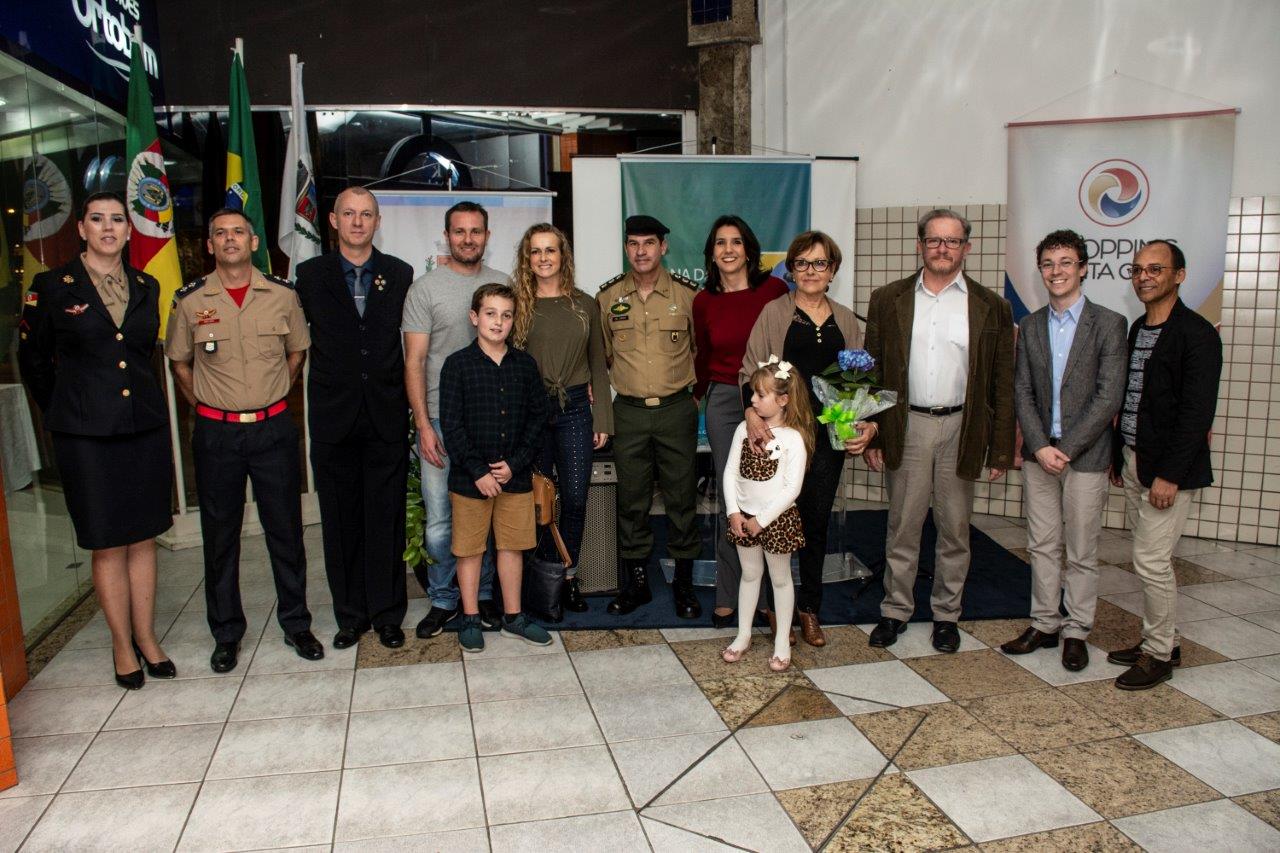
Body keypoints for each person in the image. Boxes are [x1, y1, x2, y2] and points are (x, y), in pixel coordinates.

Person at [18, 192, 175, 689]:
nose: (108, 228)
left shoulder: (147, 285)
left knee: (144, 535)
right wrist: (69, 409)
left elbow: (141, 354)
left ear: (129, 231)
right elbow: (33, 361)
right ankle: (122, 645)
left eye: (117, 220)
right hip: (86, 435)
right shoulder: (51, 286)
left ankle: (146, 637)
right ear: (82, 228)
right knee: (107, 542)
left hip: (142, 426)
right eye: (98, 219)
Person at [166, 207, 321, 673]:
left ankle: (296, 623)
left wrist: (272, 393)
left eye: (239, 232)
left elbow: (297, 352)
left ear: (254, 242)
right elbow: (179, 362)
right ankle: (226, 633)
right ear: (209, 245)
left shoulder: (282, 295)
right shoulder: (191, 300)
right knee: (220, 537)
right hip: (217, 434)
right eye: (220, 233)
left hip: (273, 429)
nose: (230, 239)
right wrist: (205, 405)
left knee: (286, 532)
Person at [864, 208, 1015, 653]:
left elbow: (1002, 382)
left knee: (955, 529)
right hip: (906, 424)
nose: (942, 248)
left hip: (962, 428)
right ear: (920, 245)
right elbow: (872, 370)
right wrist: (874, 432)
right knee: (902, 526)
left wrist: (1000, 448)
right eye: (934, 240)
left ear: (967, 247)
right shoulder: (887, 299)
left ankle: (947, 615)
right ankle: (895, 610)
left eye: (952, 241)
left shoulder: (991, 306)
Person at [1000, 229, 1126, 671]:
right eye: (1048, 264)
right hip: (1039, 455)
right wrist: (1038, 445)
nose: (1056, 271)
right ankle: (1045, 623)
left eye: (1066, 262)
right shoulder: (1031, 325)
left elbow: (1109, 396)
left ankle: (1076, 630)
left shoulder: (1109, 323)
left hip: (1085, 457)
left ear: (1083, 268)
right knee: (1042, 544)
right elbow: (1022, 390)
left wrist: (1066, 448)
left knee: (1081, 550)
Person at [295, 187, 413, 650]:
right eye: (349, 213)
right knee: (340, 522)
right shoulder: (309, 276)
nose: (358, 222)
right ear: (333, 220)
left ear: (378, 221)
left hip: (385, 415)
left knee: (386, 519)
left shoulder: (399, 273)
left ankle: (387, 614)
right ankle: (350, 616)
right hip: (333, 417)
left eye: (366, 214)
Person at [742, 230, 871, 647]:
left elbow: (859, 382)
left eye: (819, 263)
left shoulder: (846, 319)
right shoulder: (774, 313)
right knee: (775, 520)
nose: (810, 271)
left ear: (832, 270)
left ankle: (809, 609)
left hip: (827, 440)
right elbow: (750, 371)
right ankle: (774, 610)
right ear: (791, 269)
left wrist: (862, 423)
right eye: (802, 263)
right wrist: (752, 413)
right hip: (779, 437)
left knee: (815, 524)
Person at [1106, 240, 1222, 690]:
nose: (1144, 277)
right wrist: (1119, 455)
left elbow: (1197, 413)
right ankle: (1162, 640)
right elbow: (1133, 400)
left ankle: (1158, 654)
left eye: (1155, 269)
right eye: (1137, 270)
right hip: (1135, 459)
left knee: (1151, 561)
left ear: (1179, 275)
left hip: (1167, 470)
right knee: (1148, 559)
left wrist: (1170, 476)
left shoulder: (1197, 334)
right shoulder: (1139, 328)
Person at [403, 201, 511, 637]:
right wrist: (423, 425)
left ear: (487, 236)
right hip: (440, 423)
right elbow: (414, 361)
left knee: (485, 513)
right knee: (440, 521)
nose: (468, 239)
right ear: (447, 236)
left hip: (489, 422)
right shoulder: (424, 289)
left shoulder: (503, 284)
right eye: (460, 231)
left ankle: (481, 597)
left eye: (476, 231)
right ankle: (443, 599)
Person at [596, 215, 701, 619]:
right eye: (634, 244)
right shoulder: (608, 297)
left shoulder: (688, 296)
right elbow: (603, 356)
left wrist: (694, 397)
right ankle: (636, 583)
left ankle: (684, 584)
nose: (641, 251)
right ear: (626, 248)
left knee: (682, 499)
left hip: (676, 410)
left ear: (663, 247)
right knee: (632, 500)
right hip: (629, 413)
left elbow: (701, 351)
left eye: (649, 243)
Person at [438, 283, 551, 652]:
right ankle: (470, 617)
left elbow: (537, 419)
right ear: (474, 317)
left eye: (506, 315)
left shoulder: (525, 365)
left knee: (512, 546)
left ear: (513, 320)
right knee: (469, 549)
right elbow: (451, 425)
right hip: (470, 479)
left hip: (514, 477)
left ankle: (514, 617)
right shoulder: (457, 365)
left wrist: (514, 465)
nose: (498, 322)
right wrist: (479, 472)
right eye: (490, 314)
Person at [693, 215, 790, 628]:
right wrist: (698, 396)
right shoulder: (703, 301)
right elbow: (701, 356)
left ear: (749, 250)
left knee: (770, 496)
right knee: (731, 495)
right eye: (720, 243)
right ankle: (728, 593)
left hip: (770, 402)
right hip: (723, 402)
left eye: (736, 242)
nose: (728, 249)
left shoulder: (774, 291)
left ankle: (769, 595)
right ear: (711, 253)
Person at [512, 223, 612, 611]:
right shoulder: (518, 304)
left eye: (550, 250)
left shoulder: (584, 303)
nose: (543, 258)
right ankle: (542, 581)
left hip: (575, 410)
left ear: (563, 256)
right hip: (531, 412)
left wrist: (602, 418)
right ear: (527, 258)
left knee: (575, 498)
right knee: (538, 502)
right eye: (535, 251)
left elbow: (598, 364)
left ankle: (567, 576)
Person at [721, 359, 813, 672]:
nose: (753, 400)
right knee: (749, 574)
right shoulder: (742, 430)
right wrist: (734, 511)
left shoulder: (793, 438)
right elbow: (730, 472)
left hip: (776, 520)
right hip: (743, 518)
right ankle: (743, 635)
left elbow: (792, 489)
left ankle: (781, 641)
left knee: (780, 578)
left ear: (783, 399)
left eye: (760, 395)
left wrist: (761, 520)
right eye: (753, 394)